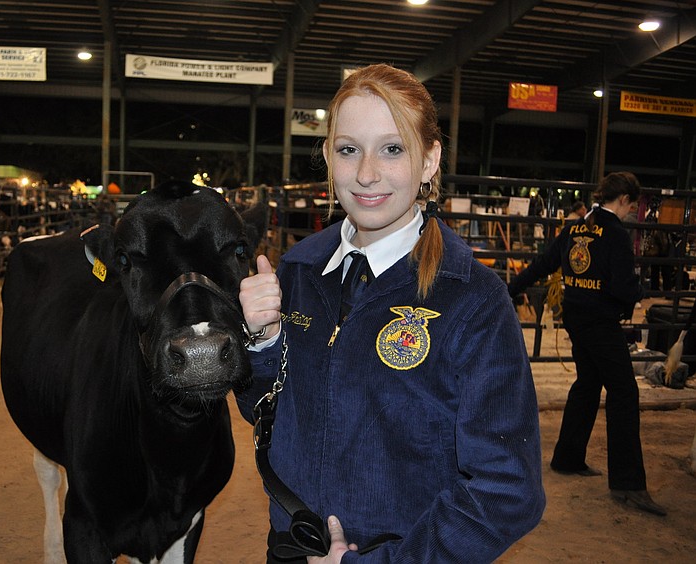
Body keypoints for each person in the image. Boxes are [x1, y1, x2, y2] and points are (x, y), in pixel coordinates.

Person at [237, 63, 545, 563]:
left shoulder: (473, 300)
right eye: (349, 149)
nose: (366, 174)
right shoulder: (297, 270)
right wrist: (264, 344)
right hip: (293, 549)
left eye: (393, 148)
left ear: (429, 161)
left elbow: (508, 490)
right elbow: (265, 415)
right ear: (327, 157)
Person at [508, 171, 667, 517]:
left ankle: (568, 457)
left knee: (588, 384)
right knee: (624, 393)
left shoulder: (576, 227)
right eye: (632, 206)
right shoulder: (615, 235)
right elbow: (624, 288)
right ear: (624, 199)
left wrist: (509, 288)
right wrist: (638, 294)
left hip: (576, 317)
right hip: (602, 322)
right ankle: (628, 483)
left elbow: (544, 263)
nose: (632, 214)